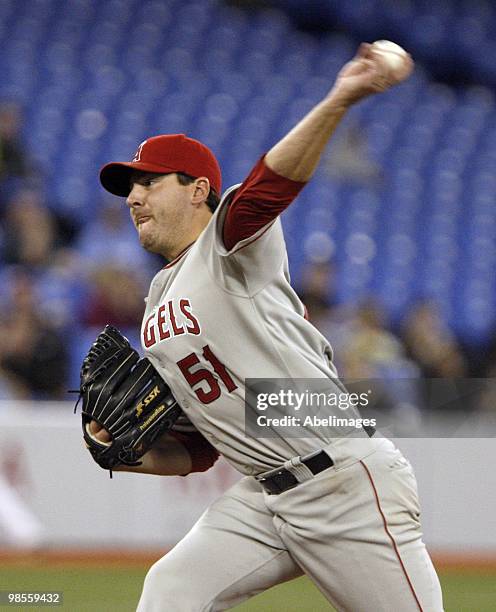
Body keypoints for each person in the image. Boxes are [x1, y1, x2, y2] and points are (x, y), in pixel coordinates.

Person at [93, 44, 443, 611]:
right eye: (130, 187)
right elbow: (198, 451)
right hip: (264, 495)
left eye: (149, 182)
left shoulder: (227, 246)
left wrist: (342, 97)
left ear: (198, 190)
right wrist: (120, 451)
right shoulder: (157, 303)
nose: (133, 196)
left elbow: (271, 184)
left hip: (344, 483)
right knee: (170, 589)